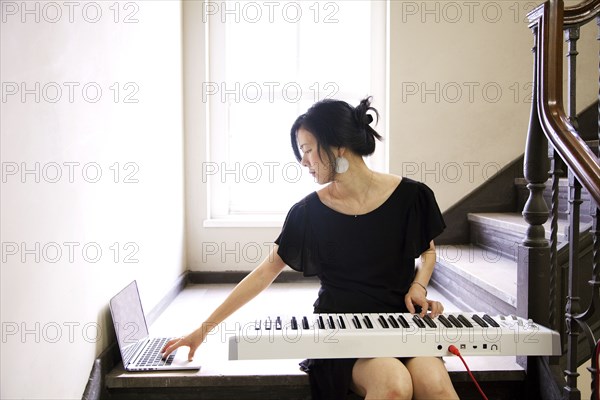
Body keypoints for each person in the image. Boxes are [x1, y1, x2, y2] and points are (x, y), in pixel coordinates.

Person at [162, 96, 459, 400]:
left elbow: (428, 251)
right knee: (394, 384)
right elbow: (266, 272)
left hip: (400, 323)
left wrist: (419, 287)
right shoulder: (308, 212)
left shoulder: (412, 196)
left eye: (306, 150)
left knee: (435, 386)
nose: (302, 161)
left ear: (337, 146)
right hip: (341, 332)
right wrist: (203, 329)